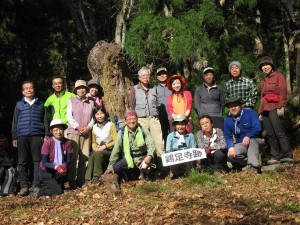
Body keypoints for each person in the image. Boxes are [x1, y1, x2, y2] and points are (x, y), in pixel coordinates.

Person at [11, 81, 49, 196]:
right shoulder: (19, 105)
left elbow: (45, 120)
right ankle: (24, 186)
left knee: (37, 161)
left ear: (34, 90)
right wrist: (14, 136)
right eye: (26, 88)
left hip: (37, 135)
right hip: (22, 136)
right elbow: (15, 121)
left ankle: (36, 185)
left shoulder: (40, 104)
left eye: (31, 88)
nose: (29, 90)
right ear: (23, 92)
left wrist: (46, 134)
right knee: (22, 162)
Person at [258, 56, 294, 164]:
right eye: (263, 66)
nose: (265, 67)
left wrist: (281, 106)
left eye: (267, 65)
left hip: (274, 107)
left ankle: (287, 154)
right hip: (265, 109)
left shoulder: (279, 76)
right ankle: (275, 156)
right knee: (270, 133)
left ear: (272, 65)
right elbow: (262, 97)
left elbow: (283, 92)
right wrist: (260, 111)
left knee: (279, 131)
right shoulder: (263, 81)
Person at [129, 67, 164, 174]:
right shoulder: (134, 89)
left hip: (153, 119)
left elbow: (158, 104)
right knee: (143, 145)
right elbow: (132, 106)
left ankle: (162, 168)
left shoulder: (155, 88)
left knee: (159, 143)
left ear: (150, 77)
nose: (145, 77)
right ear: (139, 78)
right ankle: (146, 170)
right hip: (141, 120)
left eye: (147, 75)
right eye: (143, 76)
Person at [105, 110, 156, 181]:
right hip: (129, 159)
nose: (132, 121)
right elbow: (116, 150)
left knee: (151, 165)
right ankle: (133, 174)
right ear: (125, 121)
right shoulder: (121, 133)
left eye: (134, 118)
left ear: (137, 120)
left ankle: (145, 173)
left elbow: (151, 145)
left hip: (143, 158)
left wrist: (149, 156)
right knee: (117, 167)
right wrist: (110, 166)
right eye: (129, 119)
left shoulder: (144, 130)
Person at [33, 119, 73, 198]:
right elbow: (44, 162)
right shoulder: (47, 143)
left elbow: (69, 159)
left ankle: (53, 186)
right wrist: (56, 167)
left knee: (59, 189)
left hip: (59, 171)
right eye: (56, 130)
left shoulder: (68, 142)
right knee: (57, 191)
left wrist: (64, 165)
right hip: (46, 171)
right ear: (51, 131)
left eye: (60, 129)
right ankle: (39, 191)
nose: (59, 132)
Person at [66, 80, 94, 189]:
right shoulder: (71, 100)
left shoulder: (91, 102)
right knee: (72, 157)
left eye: (83, 88)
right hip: (73, 132)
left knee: (84, 157)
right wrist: (78, 127)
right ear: (76, 90)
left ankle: (81, 180)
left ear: (86, 89)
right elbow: (69, 116)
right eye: (79, 88)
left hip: (87, 133)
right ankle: (71, 181)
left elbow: (94, 118)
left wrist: (88, 128)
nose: (81, 90)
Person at [224, 97, 261, 174]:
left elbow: (257, 128)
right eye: (231, 106)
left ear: (240, 106)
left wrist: (248, 136)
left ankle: (253, 167)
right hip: (242, 144)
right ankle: (249, 162)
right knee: (231, 154)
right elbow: (227, 136)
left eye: (235, 105)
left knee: (252, 140)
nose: (233, 108)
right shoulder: (228, 120)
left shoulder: (250, 113)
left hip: (256, 141)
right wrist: (230, 147)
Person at [84, 105, 117, 185]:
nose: (99, 116)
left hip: (109, 150)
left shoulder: (111, 125)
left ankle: (97, 176)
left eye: (101, 113)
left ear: (105, 114)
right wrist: (94, 147)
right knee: (92, 156)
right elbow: (94, 141)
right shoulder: (94, 127)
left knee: (97, 154)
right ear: (94, 116)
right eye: (97, 114)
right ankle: (87, 179)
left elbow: (116, 141)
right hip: (98, 150)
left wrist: (104, 147)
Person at [166, 114, 196, 179]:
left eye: (182, 124)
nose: (180, 127)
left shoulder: (190, 135)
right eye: (178, 124)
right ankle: (175, 173)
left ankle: (187, 173)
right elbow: (168, 150)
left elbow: (193, 148)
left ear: (185, 125)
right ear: (175, 125)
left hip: (187, 158)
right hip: (176, 158)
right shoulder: (170, 136)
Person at [155, 67, 172, 144]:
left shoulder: (173, 87)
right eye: (159, 74)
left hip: (172, 116)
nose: (162, 76)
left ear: (167, 75)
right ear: (157, 77)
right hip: (161, 117)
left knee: (174, 135)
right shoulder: (154, 89)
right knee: (163, 136)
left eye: (164, 74)